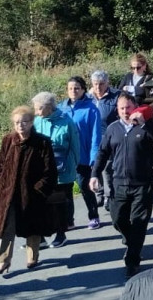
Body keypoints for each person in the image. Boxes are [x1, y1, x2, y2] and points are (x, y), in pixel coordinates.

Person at [90, 93, 153, 277]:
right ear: (117, 110)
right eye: (122, 108)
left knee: (139, 222)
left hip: (142, 183)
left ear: (135, 107)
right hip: (119, 183)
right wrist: (95, 175)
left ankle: (132, 261)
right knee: (117, 219)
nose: (125, 111)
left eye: (128, 107)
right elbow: (102, 153)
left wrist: (146, 123)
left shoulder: (146, 125)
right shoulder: (113, 129)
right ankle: (130, 240)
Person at [0, 106, 57, 274]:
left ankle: (32, 256)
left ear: (31, 122)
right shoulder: (8, 140)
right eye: (17, 122)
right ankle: (3, 261)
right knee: (7, 226)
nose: (20, 126)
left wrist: (39, 190)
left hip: (31, 194)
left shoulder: (42, 142)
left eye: (24, 122)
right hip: (8, 193)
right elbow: (0, 165)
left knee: (33, 226)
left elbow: (49, 171)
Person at [32, 91, 80, 248]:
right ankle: (42, 238)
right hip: (43, 171)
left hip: (63, 170)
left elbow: (75, 146)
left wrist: (74, 166)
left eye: (38, 108)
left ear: (48, 107)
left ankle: (61, 234)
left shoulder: (66, 122)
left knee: (60, 203)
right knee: (42, 203)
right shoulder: (37, 122)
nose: (36, 112)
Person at [57, 76, 104, 231]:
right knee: (66, 190)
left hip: (83, 157)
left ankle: (94, 216)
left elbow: (96, 137)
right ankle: (69, 220)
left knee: (85, 187)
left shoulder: (91, 109)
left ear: (83, 89)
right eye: (70, 88)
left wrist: (93, 158)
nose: (73, 91)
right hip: (65, 158)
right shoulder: (61, 109)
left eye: (77, 88)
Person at [87, 70, 120, 209]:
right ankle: (98, 193)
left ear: (107, 83)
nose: (98, 87)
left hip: (109, 138)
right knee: (94, 166)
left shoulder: (115, 96)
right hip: (92, 139)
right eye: (95, 84)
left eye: (101, 84)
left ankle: (109, 196)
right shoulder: (87, 98)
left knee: (107, 169)